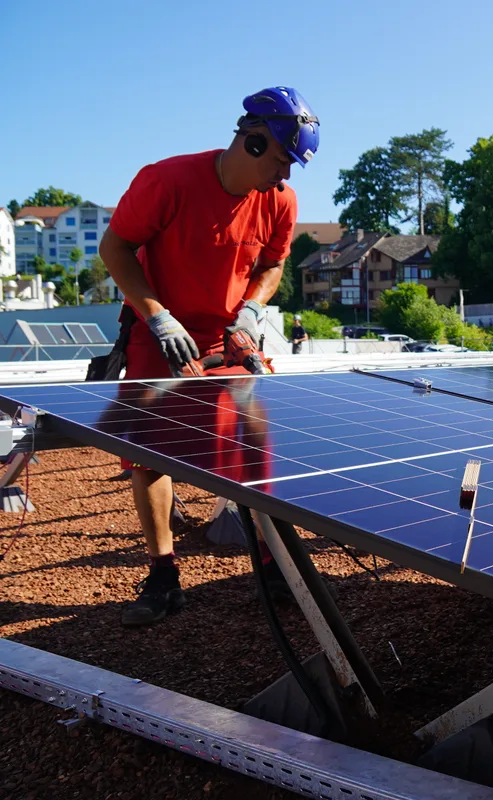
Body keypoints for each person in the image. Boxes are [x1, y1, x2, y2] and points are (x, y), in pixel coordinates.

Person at [100, 86, 319, 626]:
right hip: (159, 333)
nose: (285, 176)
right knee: (152, 452)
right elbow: (115, 248)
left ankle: (271, 563)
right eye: (280, 160)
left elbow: (272, 264)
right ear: (251, 141)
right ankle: (163, 574)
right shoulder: (167, 181)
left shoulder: (280, 202)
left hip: (227, 335)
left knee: (256, 436)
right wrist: (155, 315)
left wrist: (249, 311)